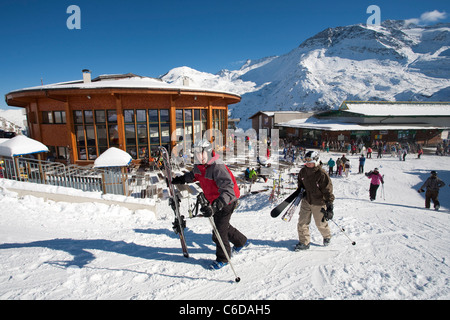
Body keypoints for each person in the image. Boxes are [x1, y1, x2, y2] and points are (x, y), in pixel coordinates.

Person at [171, 139, 247, 269]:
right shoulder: (200, 165)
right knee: (222, 226)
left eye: (202, 153)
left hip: (227, 200)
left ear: (209, 151)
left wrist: (215, 206)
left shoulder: (217, 166)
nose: (200, 157)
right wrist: (181, 179)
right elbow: (194, 175)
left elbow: (228, 189)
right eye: (196, 154)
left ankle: (223, 258)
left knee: (219, 231)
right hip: (215, 200)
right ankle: (241, 241)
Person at [295, 151, 335, 251]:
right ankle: (304, 242)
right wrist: (300, 191)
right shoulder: (303, 171)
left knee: (320, 224)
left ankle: (327, 236)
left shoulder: (321, 174)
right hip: (306, 200)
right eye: (307, 162)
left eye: (311, 162)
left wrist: (329, 205)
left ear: (316, 161)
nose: (308, 164)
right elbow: (300, 184)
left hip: (319, 202)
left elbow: (328, 190)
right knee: (302, 223)